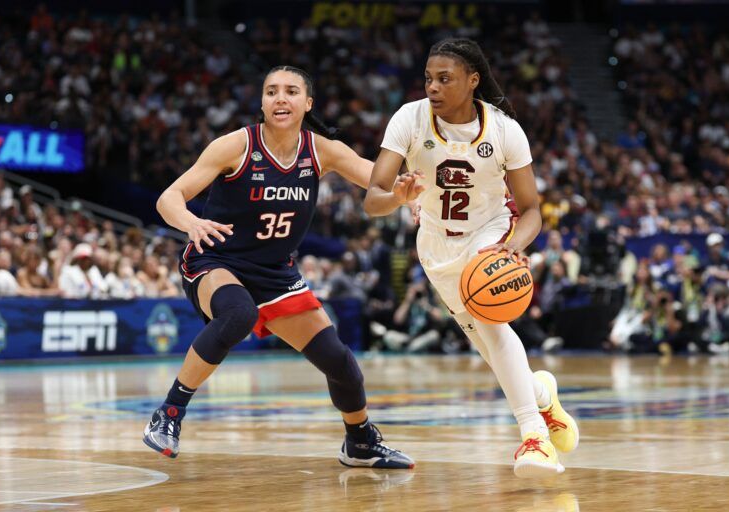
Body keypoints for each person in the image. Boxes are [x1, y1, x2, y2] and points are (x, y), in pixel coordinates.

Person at [143, 66, 414, 469]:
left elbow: (380, 183)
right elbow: (169, 197)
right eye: (271, 91)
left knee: (339, 361)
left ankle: (359, 441)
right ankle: (168, 412)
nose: (280, 98)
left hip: (274, 272)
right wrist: (191, 222)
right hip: (217, 259)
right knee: (238, 314)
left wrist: (407, 195)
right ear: (263, 102)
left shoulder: (322, 150)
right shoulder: (236, 145)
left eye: (290, 91)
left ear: (308, 103)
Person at [364, 38, 579, 478]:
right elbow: (373, 199)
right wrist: (398, 198)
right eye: (429, 78)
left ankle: (535, 438)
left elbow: (532, 209)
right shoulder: (409, 119)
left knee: (491, 326)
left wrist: (513, 247)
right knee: (490, 347)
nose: (433, 87)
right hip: (436, 246)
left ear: (472, 80)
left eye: (445, 79)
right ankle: (541, 393)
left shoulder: (504, 130)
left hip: (491, 234)